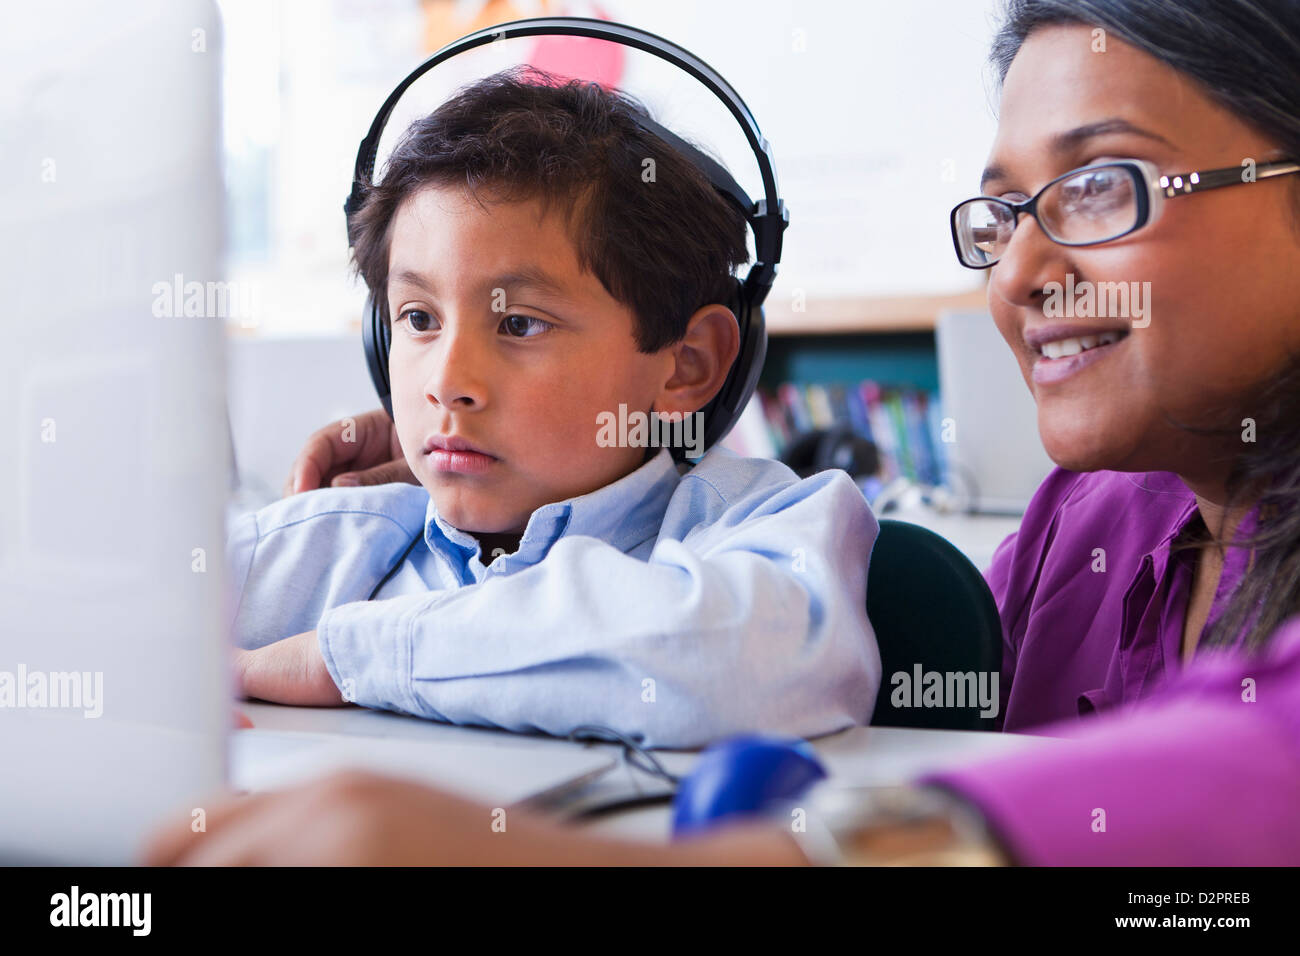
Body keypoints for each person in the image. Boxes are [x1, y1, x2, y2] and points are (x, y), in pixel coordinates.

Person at [147, 0, 1300, 865]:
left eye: (1102, 185)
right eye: (1003, 213)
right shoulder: (1086, 521)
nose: (1021, 272)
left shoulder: (782, 531)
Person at [228, 69, 880, 749]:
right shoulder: (331, 542)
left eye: (518, 325)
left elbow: (734, 670)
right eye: (418, 317)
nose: (448, 383)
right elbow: (116, 610)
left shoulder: (770, 522)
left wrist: (345, 658)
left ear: (687, 364)